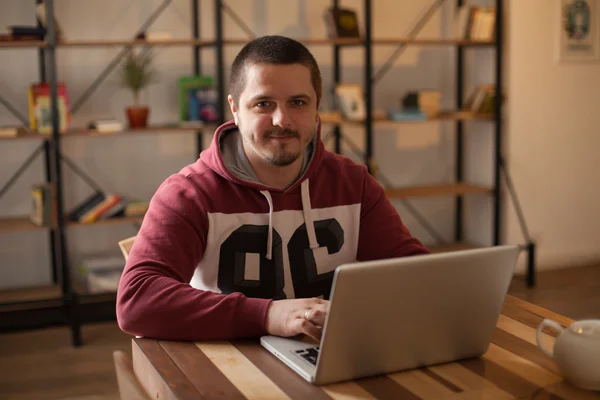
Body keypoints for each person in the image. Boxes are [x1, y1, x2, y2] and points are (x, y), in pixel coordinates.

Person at [116, 35, 430, 342]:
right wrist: (269, 316)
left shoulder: (353, 184)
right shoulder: (189, 193)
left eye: (298, 102)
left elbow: (417, 277)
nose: (282, 119)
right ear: (235, 110)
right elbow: (136, 302)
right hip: (227, 365)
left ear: (317, 106)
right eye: (263, 103)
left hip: (323, 355)